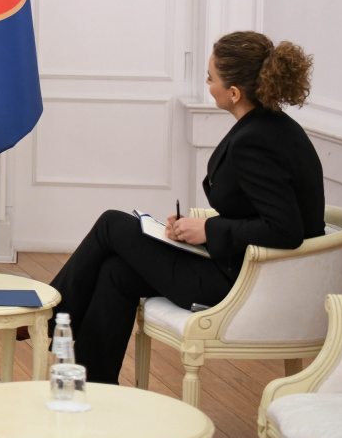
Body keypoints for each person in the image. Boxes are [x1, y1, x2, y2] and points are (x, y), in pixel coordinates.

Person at [45, 31, 325, 384]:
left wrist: (208, 229)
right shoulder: (271, 126)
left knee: (112, 224)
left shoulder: (256, 141)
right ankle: (90, 385)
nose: (208, 84)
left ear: (234, 92)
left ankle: (47, 316)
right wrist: (194, 230)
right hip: (242, 269)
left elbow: (286, 230)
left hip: (242, 285)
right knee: (116, 271)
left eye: (211, 78)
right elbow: (259, 212)